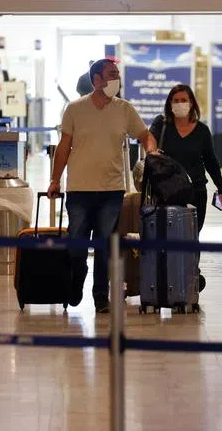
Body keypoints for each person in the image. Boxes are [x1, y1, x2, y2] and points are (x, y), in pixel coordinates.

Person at [49, 58, 159, 314]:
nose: (116, 80)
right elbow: (64, 147)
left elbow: (145, 135)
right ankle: (78, 274)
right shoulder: (75, 109)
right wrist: (55, 180)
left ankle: (100, 294)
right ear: (97, 80)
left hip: (111, 189)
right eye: (111, 74)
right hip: (79, 189)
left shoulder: (125, 109)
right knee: (76, 244)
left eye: (117, 74)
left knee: (104, 245)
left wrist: (151, 151)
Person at [149, 84, 222, 235]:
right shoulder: (161, 124)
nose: (179, 104)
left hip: (196, 192)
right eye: (175, 100)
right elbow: (149, 138)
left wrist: (221, 190)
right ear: (170, 104)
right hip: (166, 192)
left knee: (192, 235)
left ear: (191, 103)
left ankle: (190, 260)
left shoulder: (202, 131)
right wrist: (152, 150)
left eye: (183, 100)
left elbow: (211, 161)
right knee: (166, 234)